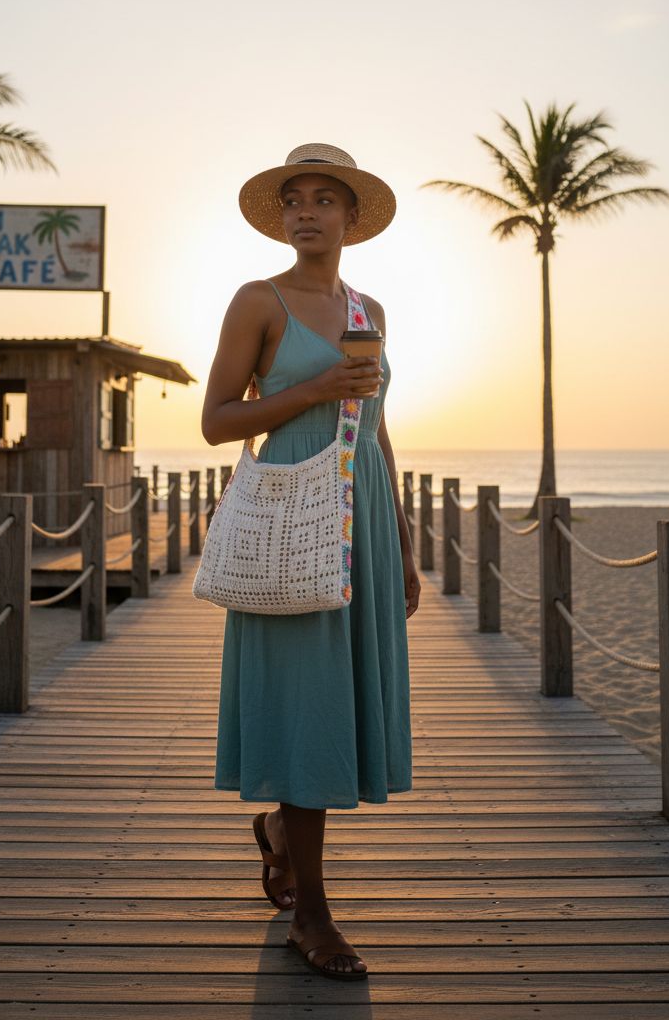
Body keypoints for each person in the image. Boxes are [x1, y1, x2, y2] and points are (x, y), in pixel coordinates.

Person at [201, 142, 420, 981]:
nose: (306, 211)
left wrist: (399, 540)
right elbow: (220, 420)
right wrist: (313, 391)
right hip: (291, 509)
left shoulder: (370, 311)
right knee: (307, 703)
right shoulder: (258, 300)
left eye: (324, 198)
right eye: (293, 199)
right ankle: (315, 919)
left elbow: (380, 427)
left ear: (350, 217)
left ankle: (279, 832)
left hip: (360, 509)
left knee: (335, 699)